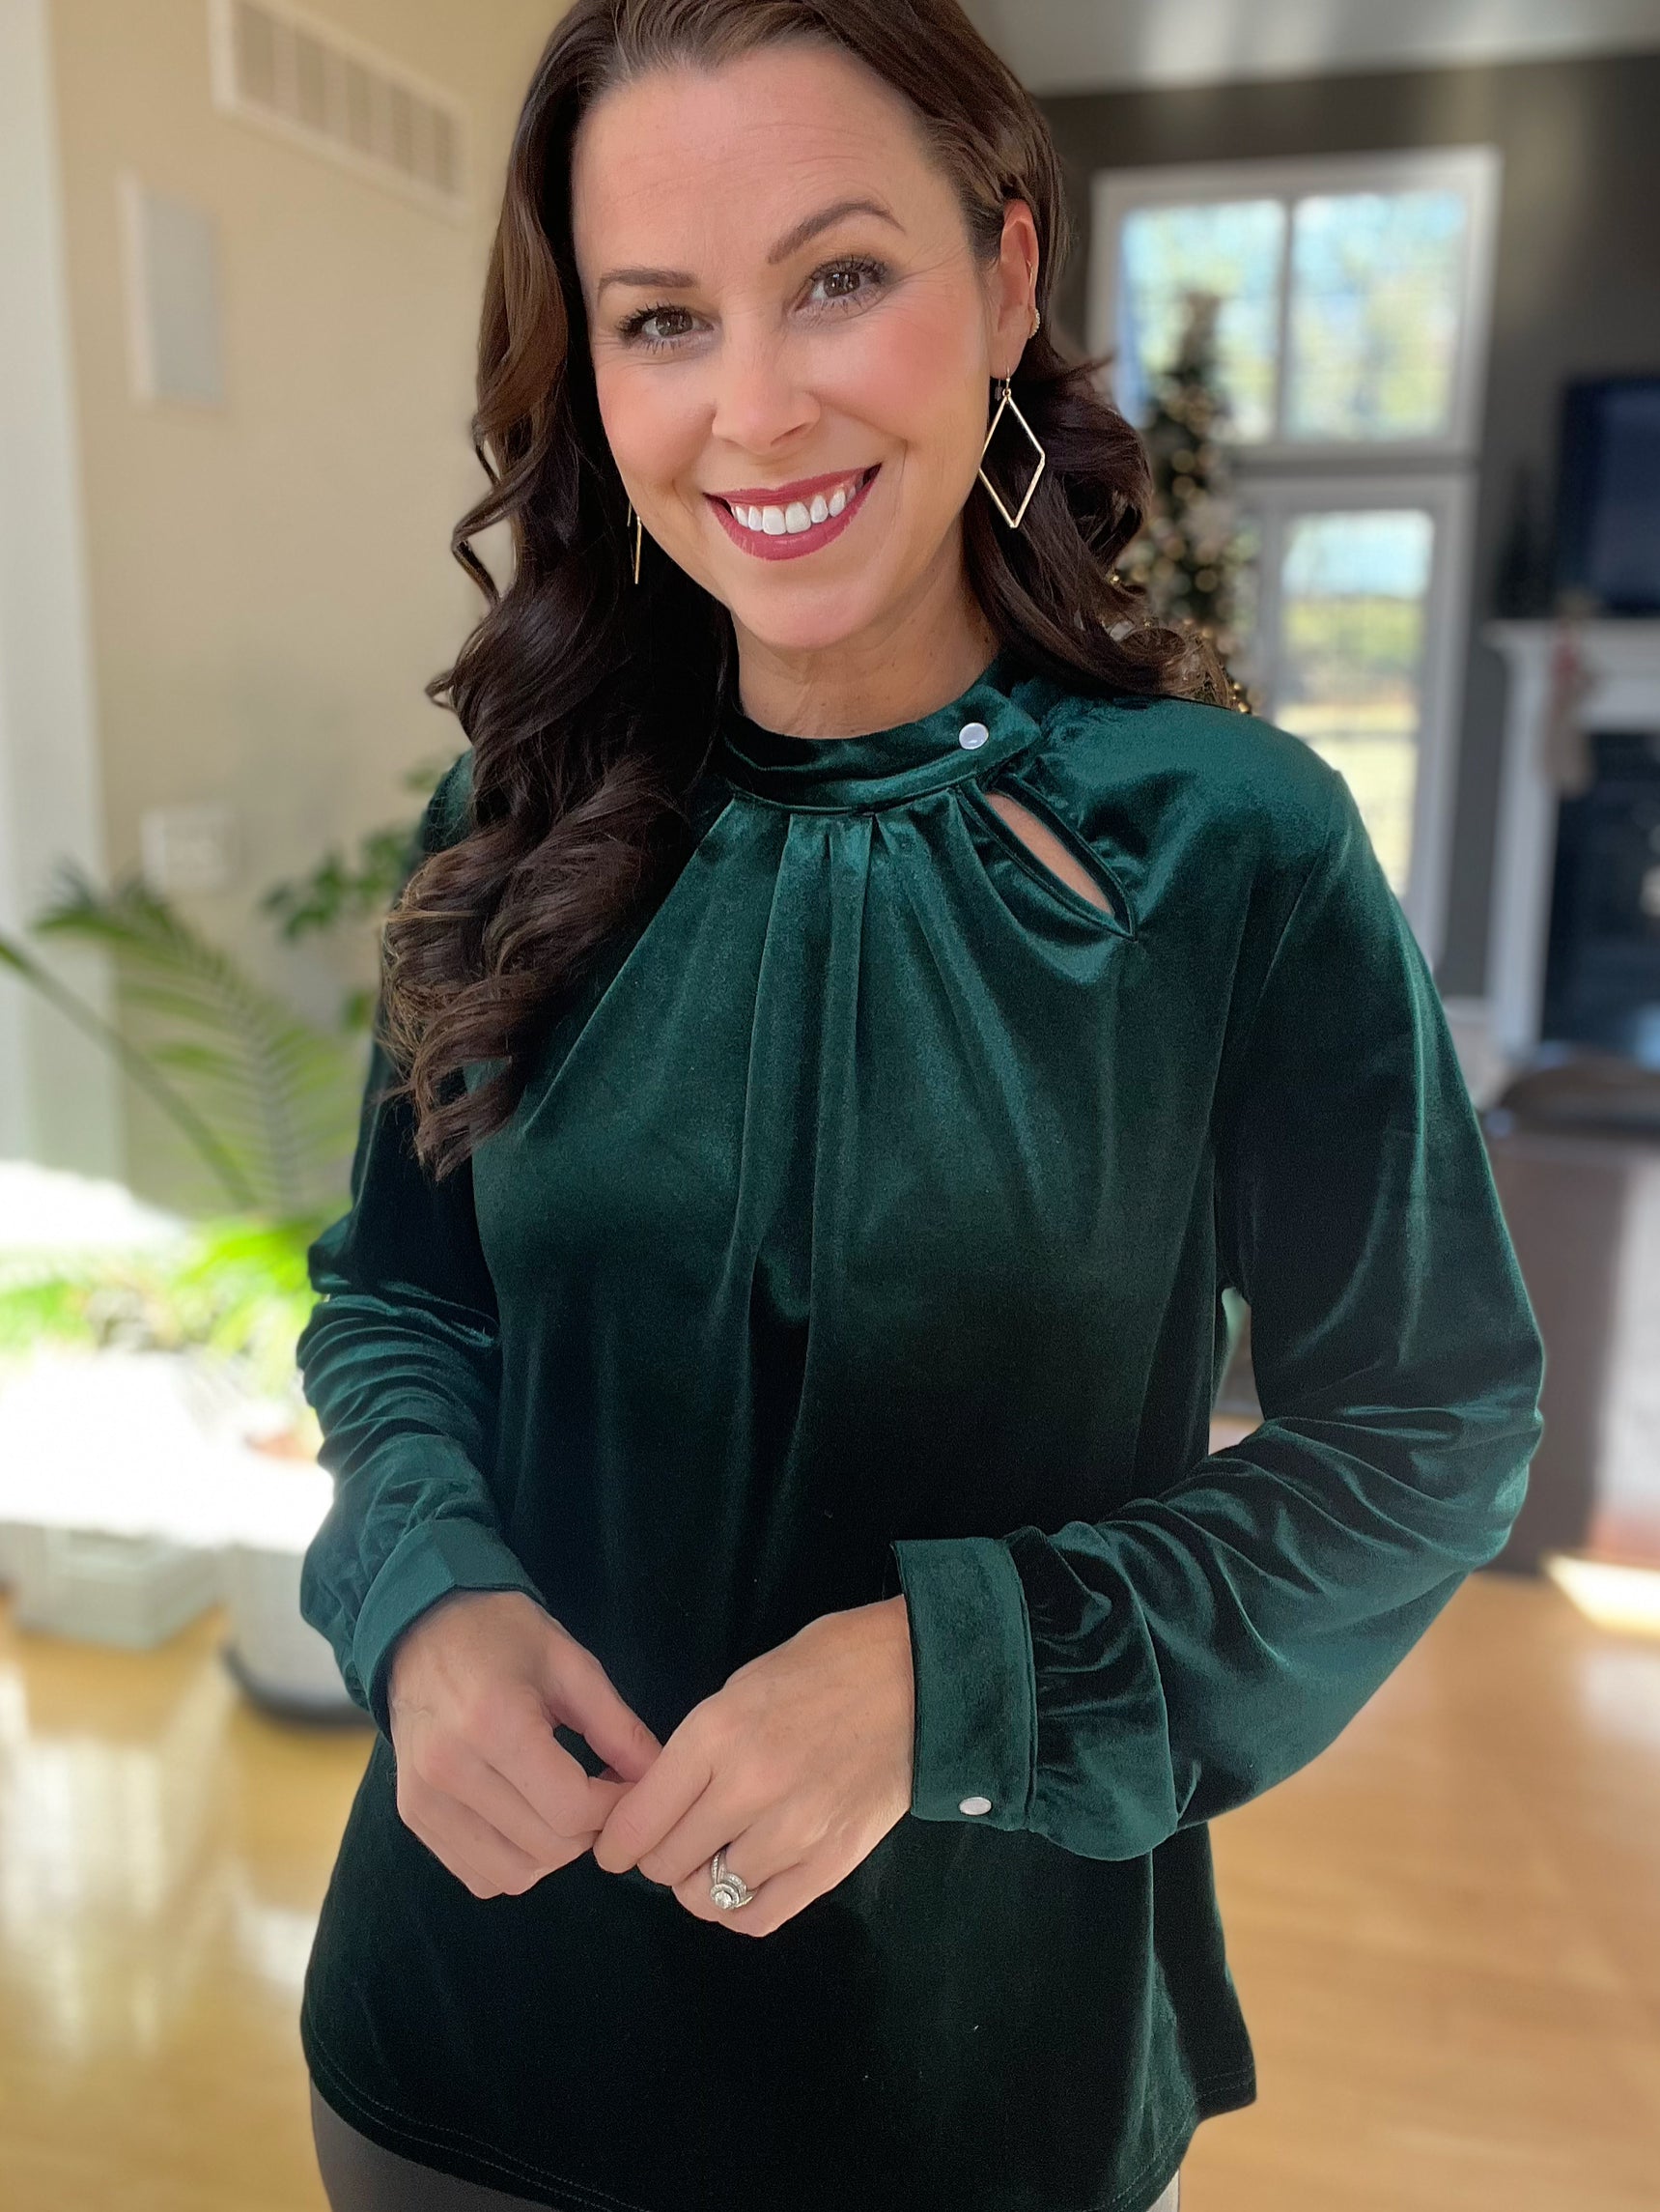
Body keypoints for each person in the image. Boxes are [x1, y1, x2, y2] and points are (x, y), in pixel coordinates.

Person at [293, 3, 1546, 2208]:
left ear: (1006, 273)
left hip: (971, 2090)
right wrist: (423, 1595)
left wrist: (954, 1679)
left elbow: (1424, 1429)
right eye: (661, 318)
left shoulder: (1227, 850)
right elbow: (402, 1302)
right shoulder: (509, 817)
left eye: (840, 277)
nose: (755, 405)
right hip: (461, 2049)